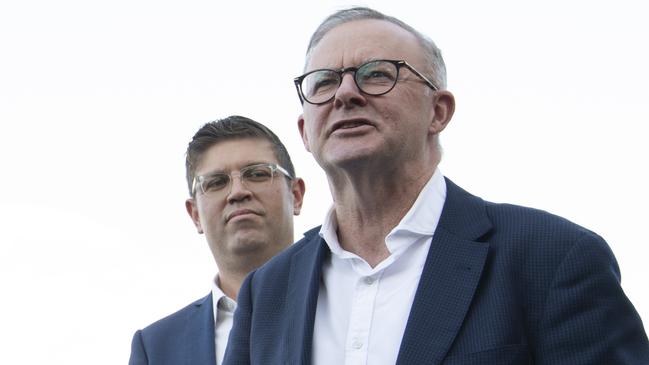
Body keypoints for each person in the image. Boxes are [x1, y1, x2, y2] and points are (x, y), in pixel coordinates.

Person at [223, 7, 649, 365]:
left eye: (376, 74)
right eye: (324, 82)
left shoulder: (552, 257)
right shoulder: (267, 292)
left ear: (438, 112)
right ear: (305, 132)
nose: (345, 94)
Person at [128, 115, 305, 365]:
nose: (238, 192)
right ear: (195, 214)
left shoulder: (347, 298)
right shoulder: (156, 347)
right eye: (216, 182)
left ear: (296, 195)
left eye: (256, 173)